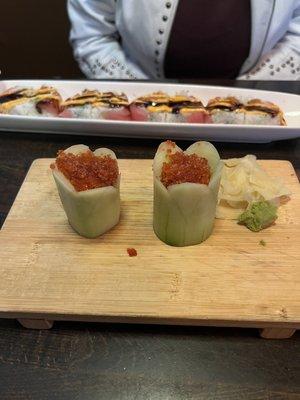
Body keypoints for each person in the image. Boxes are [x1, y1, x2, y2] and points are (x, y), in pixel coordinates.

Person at [67, 0, 300, 80]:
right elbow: (92, 37)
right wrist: (145, 99)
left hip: (263, 123)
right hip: (140, 124)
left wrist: (247, 97)